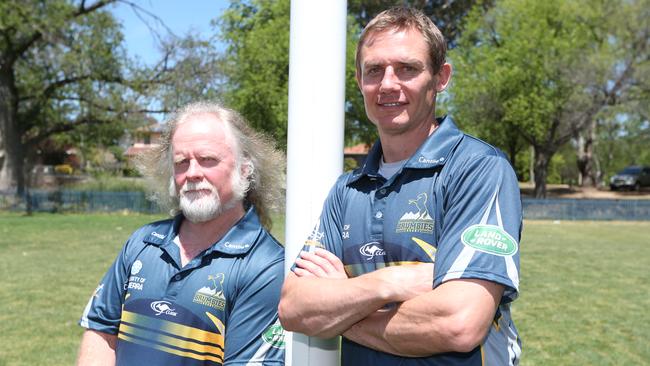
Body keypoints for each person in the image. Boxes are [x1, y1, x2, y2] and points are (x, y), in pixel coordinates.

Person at [279, 6, 522, 366]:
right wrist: (389, 283)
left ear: (441, 77)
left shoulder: (477, 169)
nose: (388, 83)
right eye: (374, 70)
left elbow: (458, 324)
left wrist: (341, 310)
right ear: (359, 81)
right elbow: (293, 309)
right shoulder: (348, 190)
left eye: (407, 68)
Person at [77, 101, 286, 366]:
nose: (192, 173)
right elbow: (101, 333)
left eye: (207, 160)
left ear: (245, 168)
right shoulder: (142, 242)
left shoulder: (266, 266)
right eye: (181, 162)